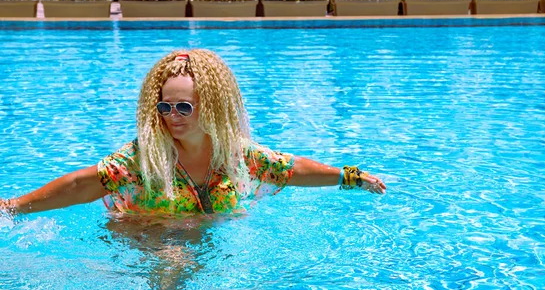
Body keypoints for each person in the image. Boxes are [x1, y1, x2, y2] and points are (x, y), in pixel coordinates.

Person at [0, 49, 386, 217]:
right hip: (146, 242)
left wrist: (348, 176)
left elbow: (291, 169)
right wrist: (14, 206)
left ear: (211, 109)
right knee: (173, 260)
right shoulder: (146, 156)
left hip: (209, 246)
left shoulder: (237, 154)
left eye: (184, 107)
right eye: (164, 107)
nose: (172, 116)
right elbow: (83, 183)